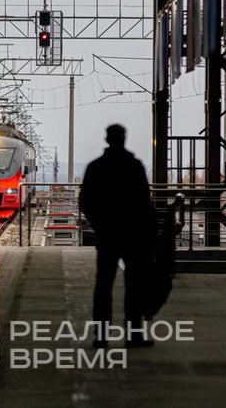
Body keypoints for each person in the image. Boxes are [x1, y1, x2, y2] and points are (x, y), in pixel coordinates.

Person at [78, 124, 158, 348]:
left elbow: (86, 202)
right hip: (134, 235)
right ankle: (134, 335)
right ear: (124, 139)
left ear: (107, 139)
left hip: (107, 235)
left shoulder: (95, 167)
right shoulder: (135, 166)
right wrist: (151, 234)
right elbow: (145, 203)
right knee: (134, 286)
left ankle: (101, 336)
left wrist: (99, 225)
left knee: (103, 285)